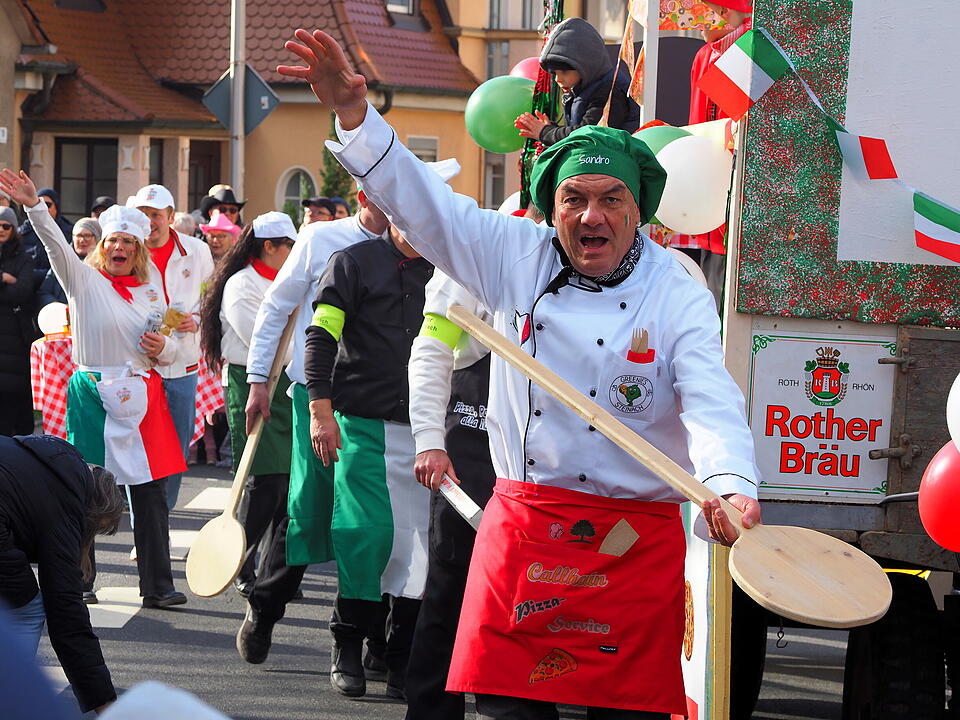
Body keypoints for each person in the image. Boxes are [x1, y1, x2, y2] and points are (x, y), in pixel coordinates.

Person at [278, 29, 761, 718]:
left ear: (639, 209)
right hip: (531, 528)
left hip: (633, 539)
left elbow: (711, 401)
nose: (591, 215)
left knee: (627, 713)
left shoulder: (675, 285)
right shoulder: (515, 254)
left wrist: (729, 485)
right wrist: (355, 117)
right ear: (551, 205)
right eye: (574, 199)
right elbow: (425, 207)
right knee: (508, 710)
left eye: (611, 199)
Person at [0, 169, 189, 609]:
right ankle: (79, 579)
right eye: (112, 242)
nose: (119, 248)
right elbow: (54, 244)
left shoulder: (151, 294)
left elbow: (171, 348)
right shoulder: (84, 281)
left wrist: (165, 347)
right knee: (83, 489)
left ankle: (158, 586)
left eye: (128, 243)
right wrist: (32, 206)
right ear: (103, 248)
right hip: (93, 395)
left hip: (143, 398)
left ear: (139, 251)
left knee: (151, 494)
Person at [236, 188, 388, 673]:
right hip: (314, 395)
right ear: (363, 195)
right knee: (306, 509)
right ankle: (265, 608)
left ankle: (372, 641)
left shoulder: (420, 244)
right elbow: (277, 307)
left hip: (379, 406)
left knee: (372, 521)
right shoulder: (321, 237)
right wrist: (259, 379)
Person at [302, 188, 438, 700]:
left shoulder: (449, 274)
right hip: (361, 425)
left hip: (427, 432)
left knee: (418, 548)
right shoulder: (352, 262)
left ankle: (399, 654)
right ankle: (347, 643)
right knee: (365, 537)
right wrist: (320, 411)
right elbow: (322, 336)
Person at [404, 270, 496, 720]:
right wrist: (429, 440)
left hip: (543, 464)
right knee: (448, 591)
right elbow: (431, 350)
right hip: (468, 445)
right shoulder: (469, 264)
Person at [199, 212, 297, 599]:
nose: (294, 252)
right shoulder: (241, 284)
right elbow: (262, 340)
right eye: (289, 246)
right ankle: (243, 560)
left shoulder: (290, 283)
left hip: (288, 384)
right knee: (265, 480)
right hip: (250, 381)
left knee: (288, 483)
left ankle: (271, 567)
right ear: (269, 246)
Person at [0, 434, 123, 715]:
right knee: (29, 608)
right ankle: (12, 692)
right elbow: (67, 614)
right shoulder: (68, 506)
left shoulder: (46, 457)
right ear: (91, 514)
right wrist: (106, 703)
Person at [135, 184, 215, 513]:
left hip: (183, 364)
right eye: (143, 214)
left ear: (170, 217)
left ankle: (161, 519)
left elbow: (211, 295)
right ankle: (145, 524)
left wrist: (197, 318)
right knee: (139, 452)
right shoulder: (127, 249)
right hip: (140, 363)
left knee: (176, 452)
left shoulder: (196, 250)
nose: (150, 222)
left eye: (156, 215)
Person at [685, 0, 752, 305]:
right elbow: (697, 118)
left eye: (705, 14)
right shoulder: (703, 56)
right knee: (713, 279)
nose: (698, 24)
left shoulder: (750, 46)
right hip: (710, 165)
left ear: (725, 13)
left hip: (740, 169)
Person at [515, 17, 641, 146]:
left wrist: (546, 132)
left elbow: (588, 134)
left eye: (564, 72)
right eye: (554, 73)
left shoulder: (609, 90)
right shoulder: (585, 88)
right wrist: (551, 129)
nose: (558, 79)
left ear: (585, 66)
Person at [0, 206, 37, 436]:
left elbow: (23, 291)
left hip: (15, 339)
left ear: (14, 228)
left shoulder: (24, 257)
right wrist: (3, 278)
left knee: (12, 402)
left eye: (6, 226)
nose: (1, 230)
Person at [37, 217, 100, 307]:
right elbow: (44, 292)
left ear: (97, 238)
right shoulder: (62, 260)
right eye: (78, 236)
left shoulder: (103, 266)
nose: (82, 240)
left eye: (87, 235)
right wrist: (58, 307)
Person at [17, 187, 72, 287]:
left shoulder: (68, 231)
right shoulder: (22, 231)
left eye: (47, 205)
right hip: (25, 282)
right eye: (39, 204)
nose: (43, 208)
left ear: (56, 208)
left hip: (55, 282)